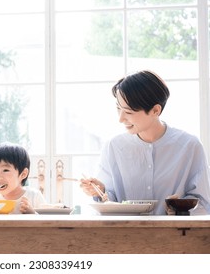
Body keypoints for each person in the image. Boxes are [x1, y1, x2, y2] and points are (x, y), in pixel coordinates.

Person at [80, 70, 210, 215]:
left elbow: (203, 202)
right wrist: (100, 191)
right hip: (124, 235)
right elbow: (109, 201)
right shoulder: (113, 147)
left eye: (128, 112)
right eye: (118, 108)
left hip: (175, 235)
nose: (121, 119)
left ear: (155, 110)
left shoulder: (190, 146)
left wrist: (180, 209)